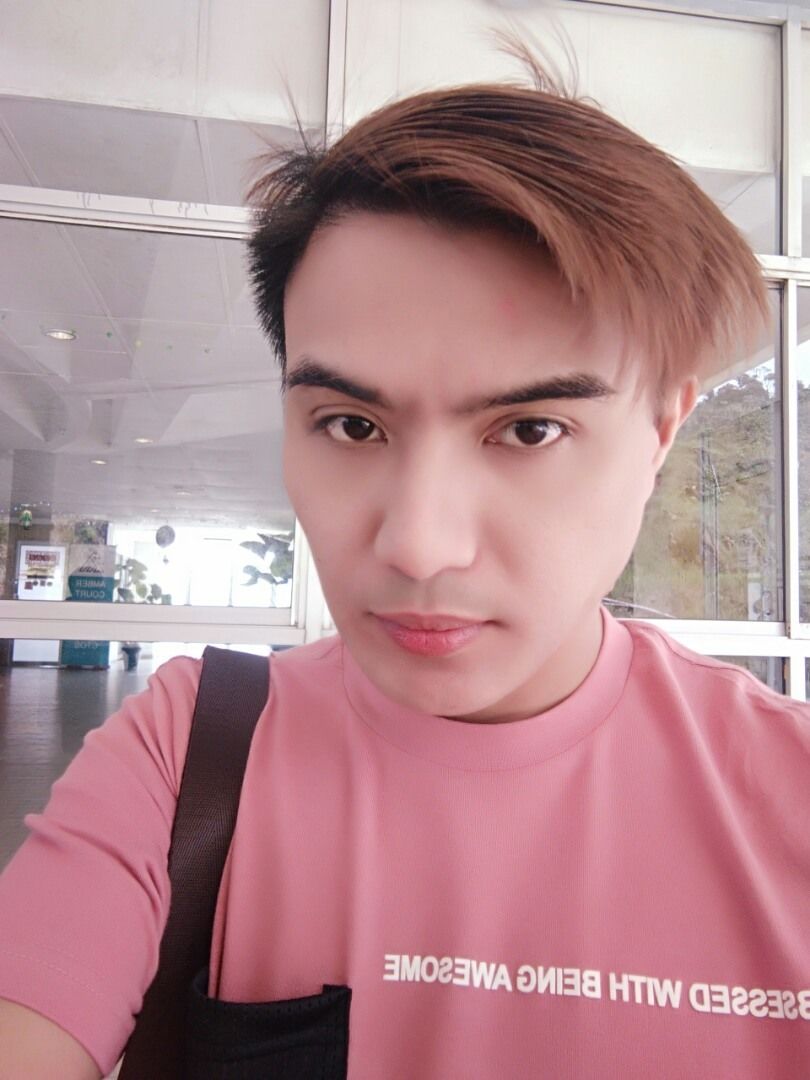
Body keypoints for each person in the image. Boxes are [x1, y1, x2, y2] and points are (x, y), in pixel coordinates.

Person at [0, 63, 808, 1080]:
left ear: (660, 431)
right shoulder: (193, 754)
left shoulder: (791, 796)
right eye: (351, 424)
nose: (418, 545)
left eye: (530, 429)